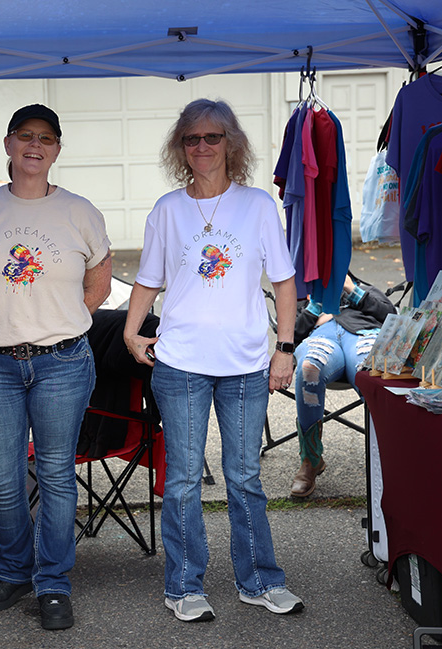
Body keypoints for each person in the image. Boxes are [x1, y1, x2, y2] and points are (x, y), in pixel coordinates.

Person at [123, 98, 301, 622]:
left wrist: (284, 347)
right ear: (181, 148)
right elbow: (149, 279)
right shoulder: (167, 210)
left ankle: (260, 581)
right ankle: (183, 586)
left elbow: (284, 281)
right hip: (179, 364)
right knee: (181, 479)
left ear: (232, 143)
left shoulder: (258, 206)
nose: (202, 147)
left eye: (213, 137)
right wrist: (132, 331)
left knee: (245, 476)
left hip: (246, 363)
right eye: (191, 139)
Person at [0, 104, 112, 631]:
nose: (35, 146)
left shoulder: (80, 212)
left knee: (55, 474)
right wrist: (4, 320)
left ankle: (53, 582)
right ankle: (13, 570)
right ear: (8, 143)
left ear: (57, 149)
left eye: (46, 138)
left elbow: (100, 283)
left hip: (62, 362)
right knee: (1, 480)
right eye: (26, 136)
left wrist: (59, 322)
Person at [289, 273, 395, 498]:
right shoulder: (304, 299)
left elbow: (391, 315)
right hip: (322, 337)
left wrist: (351, 290)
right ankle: (311, 459)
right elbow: (291, 333)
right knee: (309, 369)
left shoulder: (366, 290)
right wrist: (317, 304)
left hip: (362, 334)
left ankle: (389, 457)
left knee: (369, 371)